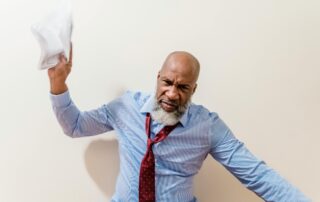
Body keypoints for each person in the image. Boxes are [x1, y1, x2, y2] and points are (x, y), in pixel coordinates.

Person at [48, 47, 310, 202]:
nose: (172, 94)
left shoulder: (208, 126)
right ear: (158, 78)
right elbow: (75, 126)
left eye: (183, 87)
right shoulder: (126, 107)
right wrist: (58, 84)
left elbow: (257, 174)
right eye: (168, 83)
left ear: (194, 89)